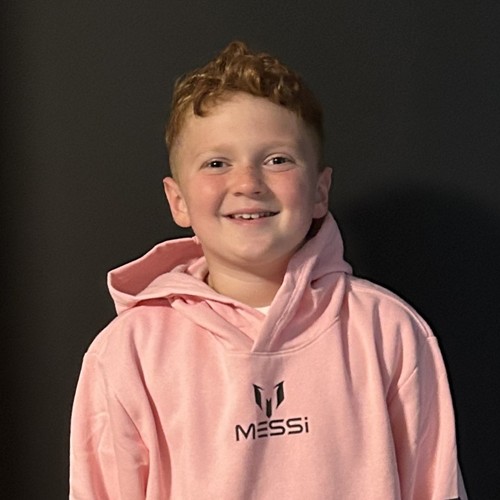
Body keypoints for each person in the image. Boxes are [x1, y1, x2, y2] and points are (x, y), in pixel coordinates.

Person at [70, 41, 467, 499]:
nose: (248, 183)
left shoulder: (388, 330)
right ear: (178, 200)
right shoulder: (129, 353)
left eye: (277, 160)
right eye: (217, 163)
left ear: (319, 191)